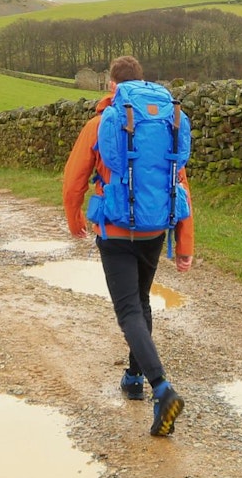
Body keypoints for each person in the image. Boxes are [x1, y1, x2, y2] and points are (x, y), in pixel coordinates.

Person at [63, 55, 193, 437]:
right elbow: (179, 182)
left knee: (127, 310)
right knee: (141, 300)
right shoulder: (166, 123)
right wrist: (184, 242)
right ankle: (134, 378)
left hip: (116, 229)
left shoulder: (101, 122)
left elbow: (74, 180)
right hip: (154, 228)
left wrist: (75, 221)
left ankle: (161, 388)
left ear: (111, 86)